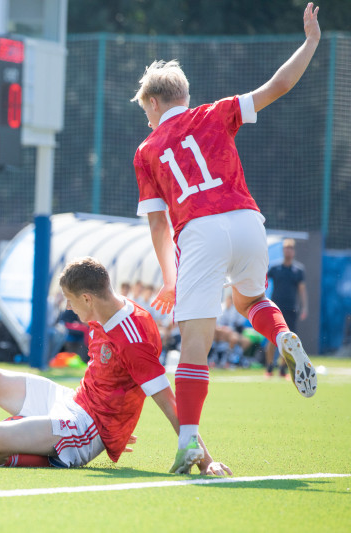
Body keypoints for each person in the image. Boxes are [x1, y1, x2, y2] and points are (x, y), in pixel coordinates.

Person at [131, 4, 320, 471]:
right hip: (248, 221)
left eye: (146, 112)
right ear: (186, 95)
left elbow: (158, 225)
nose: (147, 121)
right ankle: (282, 335)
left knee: (193, 342)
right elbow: (277, 86)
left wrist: (170, 278)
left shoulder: (147, 149)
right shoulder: (215, 113)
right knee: (248, 299)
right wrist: (310, 42)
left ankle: (189, 443)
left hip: (198, 230)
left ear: (154, 103)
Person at [0, 257, 231, 475]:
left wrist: (203, 460)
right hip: (74, 401)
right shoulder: (102, 312)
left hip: (88, 427)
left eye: (70, 301)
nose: (68, 308)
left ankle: (59, 456)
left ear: (88, 298)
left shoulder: (131, 335)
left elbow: (167, 399)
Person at [265, 238, 308, 378]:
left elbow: (302, 290)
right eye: (285, 248)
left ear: (293, 251)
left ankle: (283, 368)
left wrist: (304, 307)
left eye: (290, 248)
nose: (288, 250)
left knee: (289, 341)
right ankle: (269, 367)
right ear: (283, 250)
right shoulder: (275, 268)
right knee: (272, 339)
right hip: (275, 309)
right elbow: (263, 282)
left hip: (291, 309)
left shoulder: (298, 270)